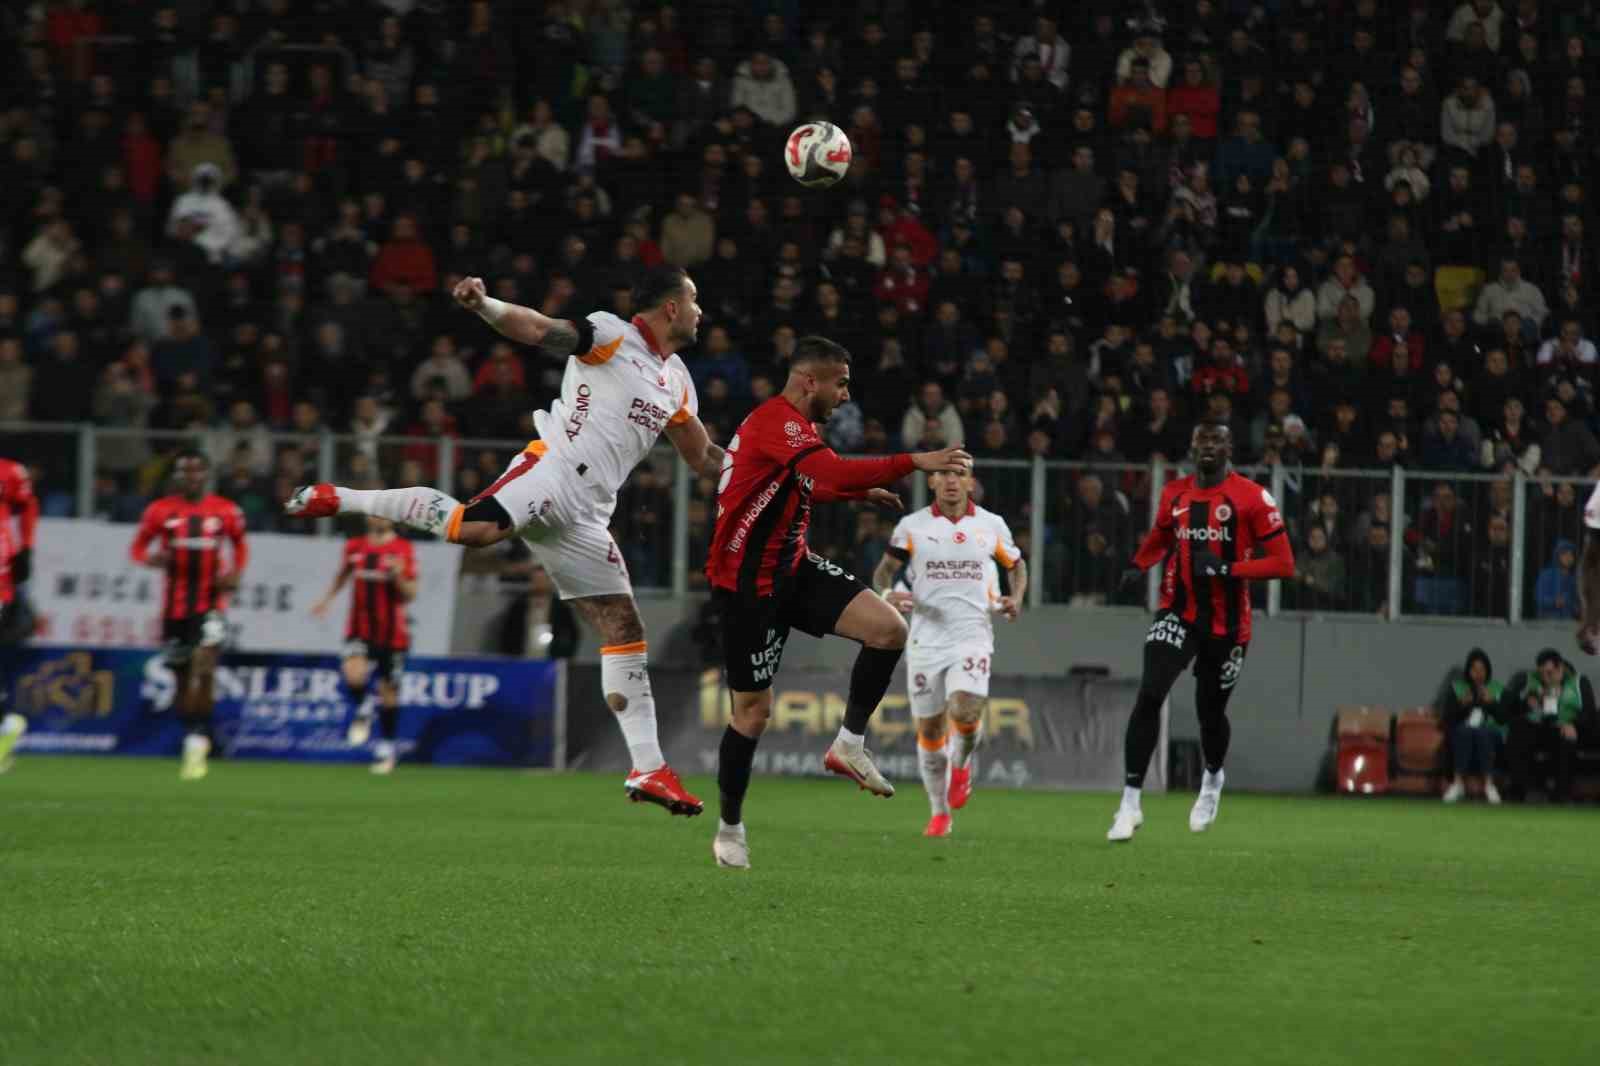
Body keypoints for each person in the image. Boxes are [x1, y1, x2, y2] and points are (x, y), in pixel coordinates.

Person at [286, 266, 721, 817]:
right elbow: (540, 330)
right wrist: (485, 307)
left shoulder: (677, 379)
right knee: (475, 530)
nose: (702, 309)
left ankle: (649, 769)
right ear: (672, 308)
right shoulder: (611, 334)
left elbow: (702, 456)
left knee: (622, 627)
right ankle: (345, 497)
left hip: (590, 514)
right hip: (554, 470)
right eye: (695, 298)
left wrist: (765, 476)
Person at [704, 335, 971, 869]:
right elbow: (825, 471)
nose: (846, 395)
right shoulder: (776, 422)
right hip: (746, 586)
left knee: (890, 629)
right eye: (841, 383)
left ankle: (849, 743)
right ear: (811, 381)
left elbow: (805, 484)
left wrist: (855, 493)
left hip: (793, 567)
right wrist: (914, 459)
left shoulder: (794, 430)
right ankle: (729, 827)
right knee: (752, 714)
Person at [1107, 421, 1295, 842]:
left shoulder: (1252, 498)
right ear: (1192, 449)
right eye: (1201, 440)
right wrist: (1139, 565)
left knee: (1210, 713)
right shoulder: (1174, 493)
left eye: (1217, 441)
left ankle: (1212, 780)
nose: (1208, 447)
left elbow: (1284, 564)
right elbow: (1160, 537)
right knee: (1151, 692)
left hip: (1227, 625)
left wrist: (1228, 568)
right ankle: (1130, 802)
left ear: (1229, 449)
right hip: (1178, 610)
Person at [872, 468, 1026, 837]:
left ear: (972, 482)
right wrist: (886, 594)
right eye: (944, 473)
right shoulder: (912, 525)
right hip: (926, 639)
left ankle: (962, 762)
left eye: (961, 473)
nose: (953, 480)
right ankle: (939, 813)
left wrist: (1016, 598)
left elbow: (1017, 565)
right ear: (932, 482)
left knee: (966, 711)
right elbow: (883, 573)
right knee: (929, 730)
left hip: (972, 635)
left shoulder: (991, 525)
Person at [131, 451, 250, 781]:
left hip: (211, 603)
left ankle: (197, 740)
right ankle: (195, 735)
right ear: (177, 476)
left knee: (206, 662)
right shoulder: (160, 511)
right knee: (183, 678)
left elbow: (240, 544)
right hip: (175, 608)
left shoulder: (225, 510)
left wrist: (236, 573)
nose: (192, 476)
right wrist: (150, 559)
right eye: (185, 471)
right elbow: (137, 548)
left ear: (207, 474)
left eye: (198, 471)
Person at [310, 516, 418, 775]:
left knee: (388, 693)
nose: (376, 517)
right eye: (372, 512)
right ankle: (363, 707)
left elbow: (411, 593)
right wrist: (326, 600)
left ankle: (386, 748)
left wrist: (398, 576)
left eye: (382, 512)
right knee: (353, 673)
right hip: (359, 629)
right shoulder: (355, 547)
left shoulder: (403, 549)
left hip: (393, 634)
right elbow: (343, 575)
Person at [1503, 649, 1594, 803]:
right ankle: (1518, 791)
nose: (1545, 677)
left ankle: (1561, 795)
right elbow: (1509, 707)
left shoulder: (1579, 682)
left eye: (1549, 673)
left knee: (1567, 740)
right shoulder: (1532, 682)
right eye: (1542, 674)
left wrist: (1574, 725)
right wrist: (1528, 703)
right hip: (1541, 727)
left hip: (1565, 729)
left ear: (1560, 668)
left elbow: (1590, 712)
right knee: (1518, 729)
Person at [0, 457, 39, 772]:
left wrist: (26, 547)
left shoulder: (10, 471)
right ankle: (5, 728)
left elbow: (27, 506)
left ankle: (6, 724)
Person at [1440, 648, 1504, 804]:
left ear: (1487, 671)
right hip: (1463, 734)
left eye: (1482, 669)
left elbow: (1504, 718)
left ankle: (1489, 785)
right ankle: (1458, 784)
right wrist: (1462, 704)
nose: (1478, 674)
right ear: (1468, 671)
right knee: (1464, 731)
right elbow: (1447, 719)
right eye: (1474, 669)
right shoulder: (1457, 689)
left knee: (1483, 732)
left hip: (1489, 735)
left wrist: (1492, 703)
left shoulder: (1496, 689)